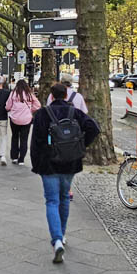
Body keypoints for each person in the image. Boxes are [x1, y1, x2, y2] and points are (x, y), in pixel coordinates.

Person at [31, 82, 100, 262]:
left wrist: (36, 164)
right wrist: (81, 146)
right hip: (70, 163)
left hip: (48, 164)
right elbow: (94, 128)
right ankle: (62, 234)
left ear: (51, 96)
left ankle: (57, 241)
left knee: (51, 201)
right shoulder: (75, 112)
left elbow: (36, 142)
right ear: (66, 94)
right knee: (63, 199)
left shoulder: (42, 114)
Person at [6, 79, 42, 165]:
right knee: (24, 139)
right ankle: (21, 159)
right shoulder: (30, 94)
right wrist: (30, 110)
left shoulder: (13, 94)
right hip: (26, 119)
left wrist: (10, 109)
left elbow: (8, 106)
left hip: (14, 119)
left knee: (14, 137)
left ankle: (14, 157)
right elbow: (38, 105)